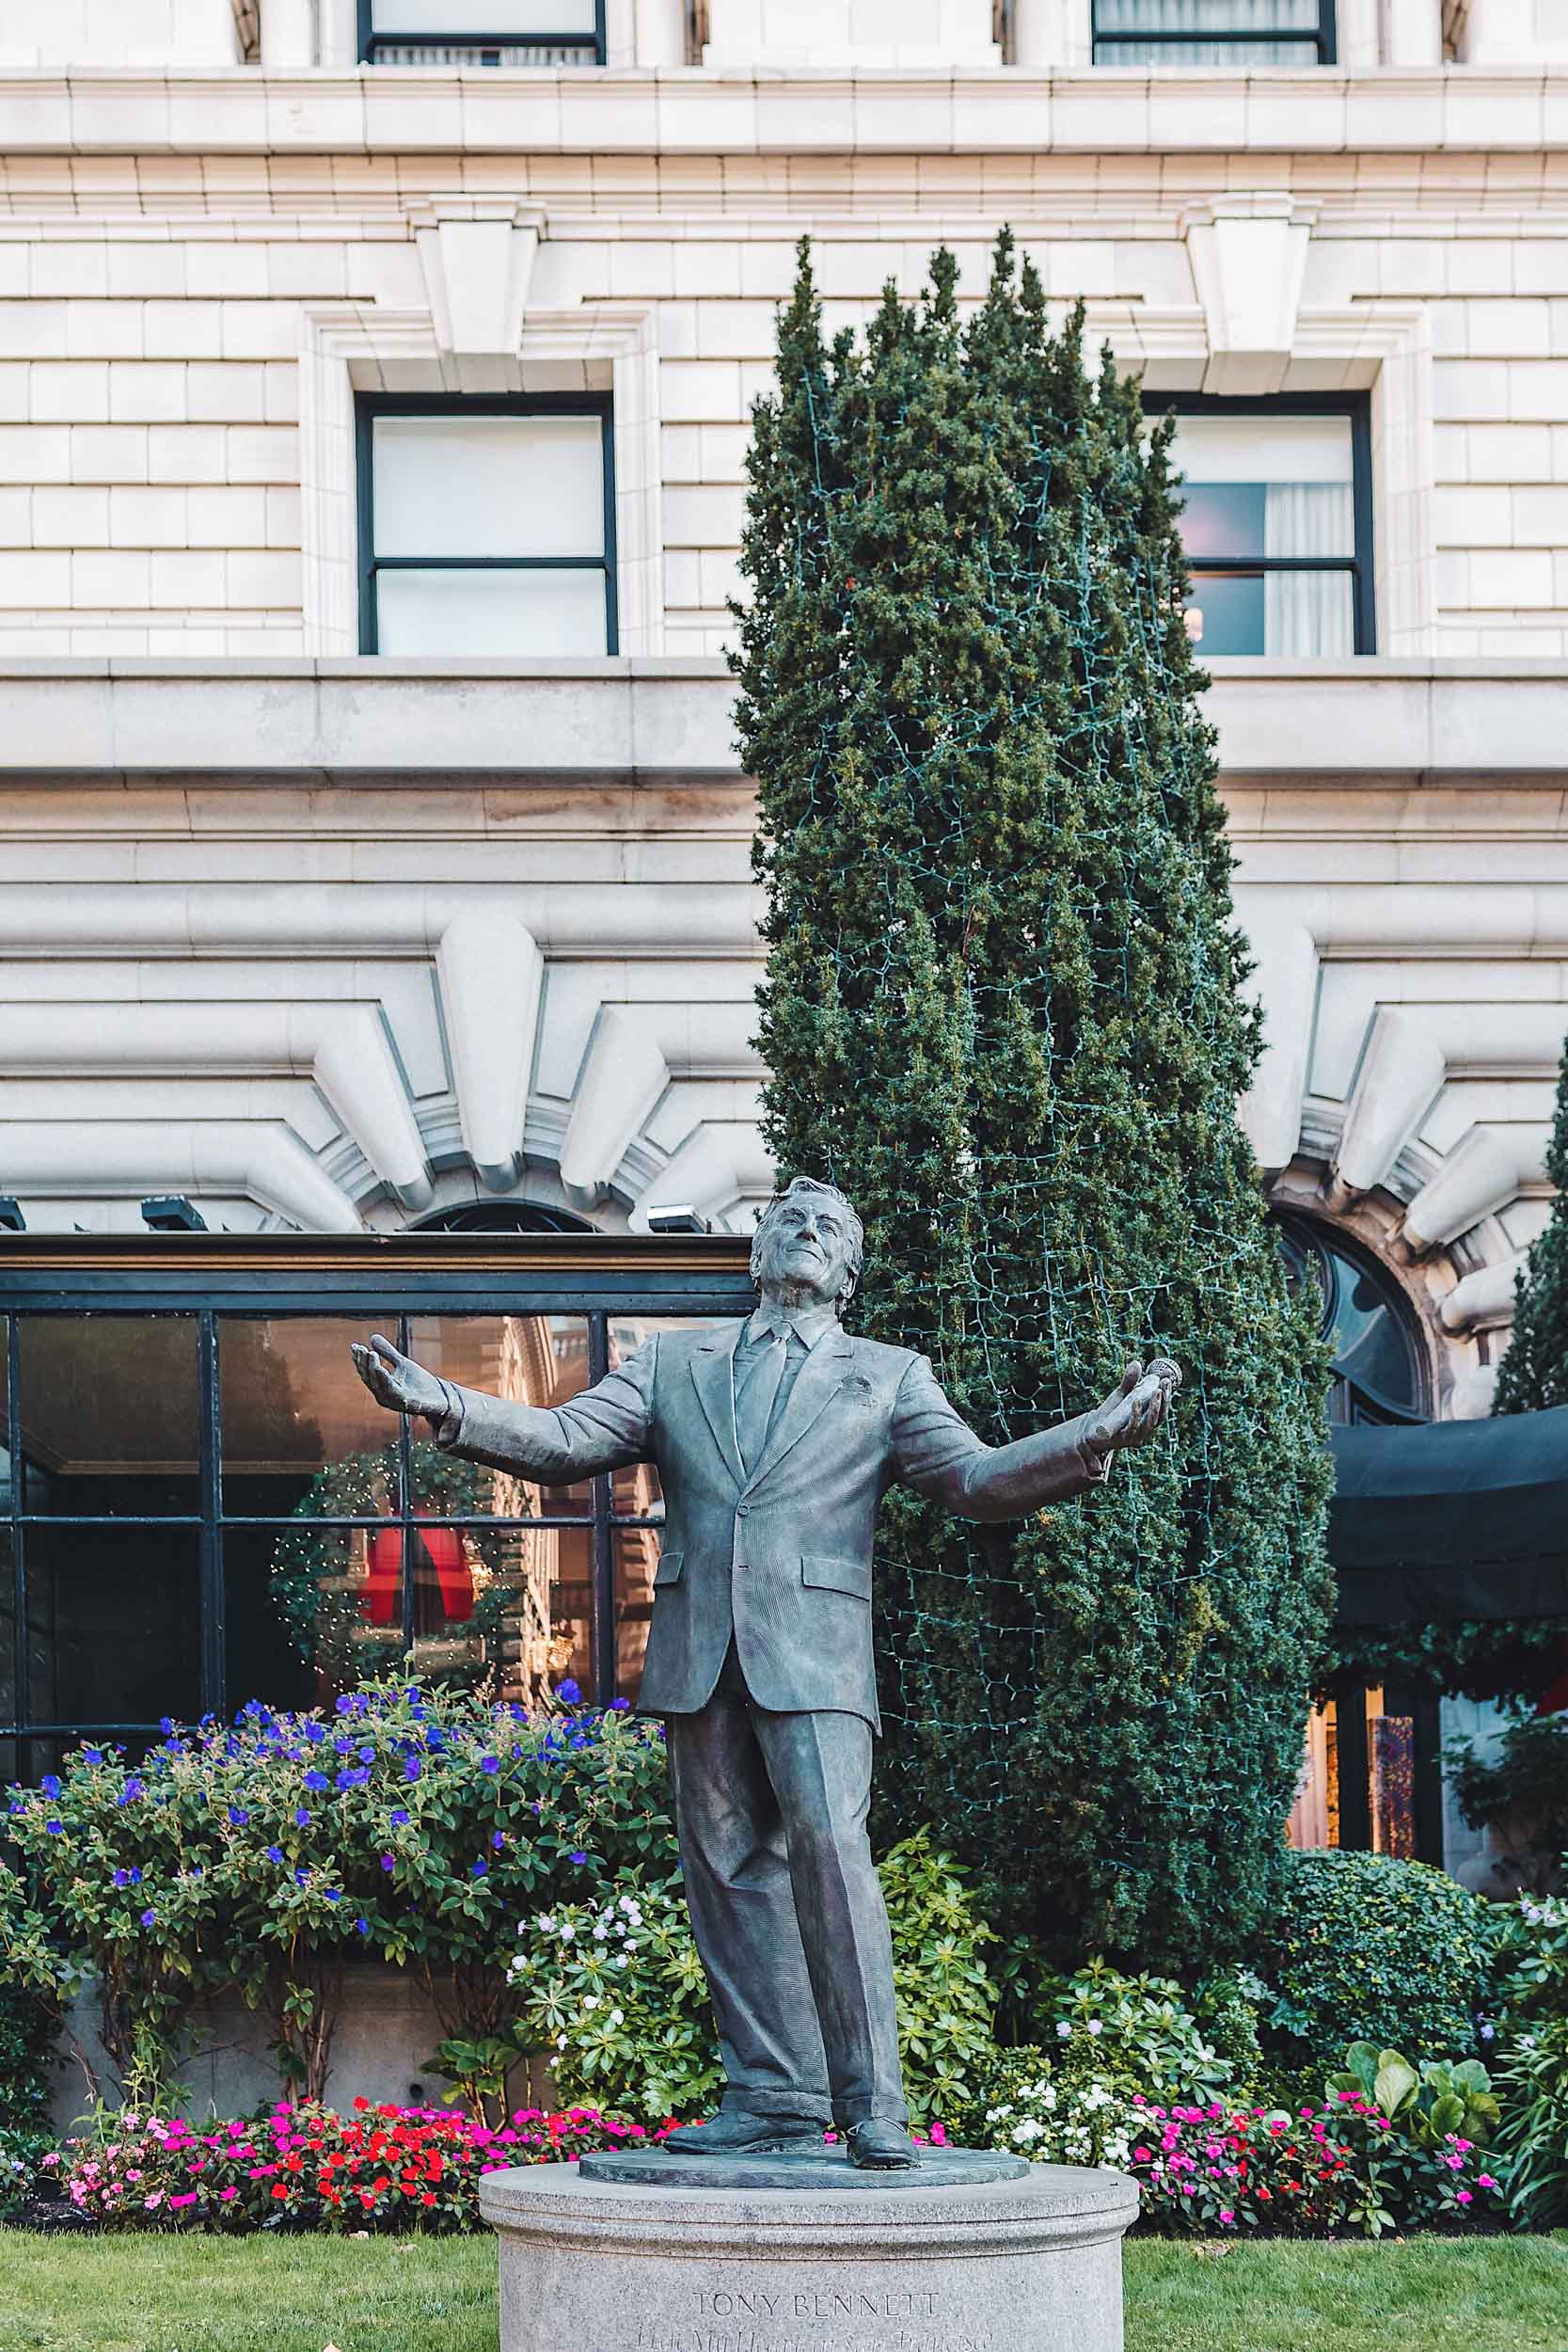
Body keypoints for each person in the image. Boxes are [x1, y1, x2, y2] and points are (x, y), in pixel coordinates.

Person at [352, 1175, 1180, 2169]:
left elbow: (973, 1477)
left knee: (831, 1855)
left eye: (829, 1225)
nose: (806, 1233)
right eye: (788, 1220)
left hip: (816, 1655)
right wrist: (446, 1401)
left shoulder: (887, 1375)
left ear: (848, 1271)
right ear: (755, 1255)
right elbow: (569, 1440)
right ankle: (771, 2095)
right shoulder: (672, 1364)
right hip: (699, 1651)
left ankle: (872, 2105)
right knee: (727, 1873)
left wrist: (1089, 1435)